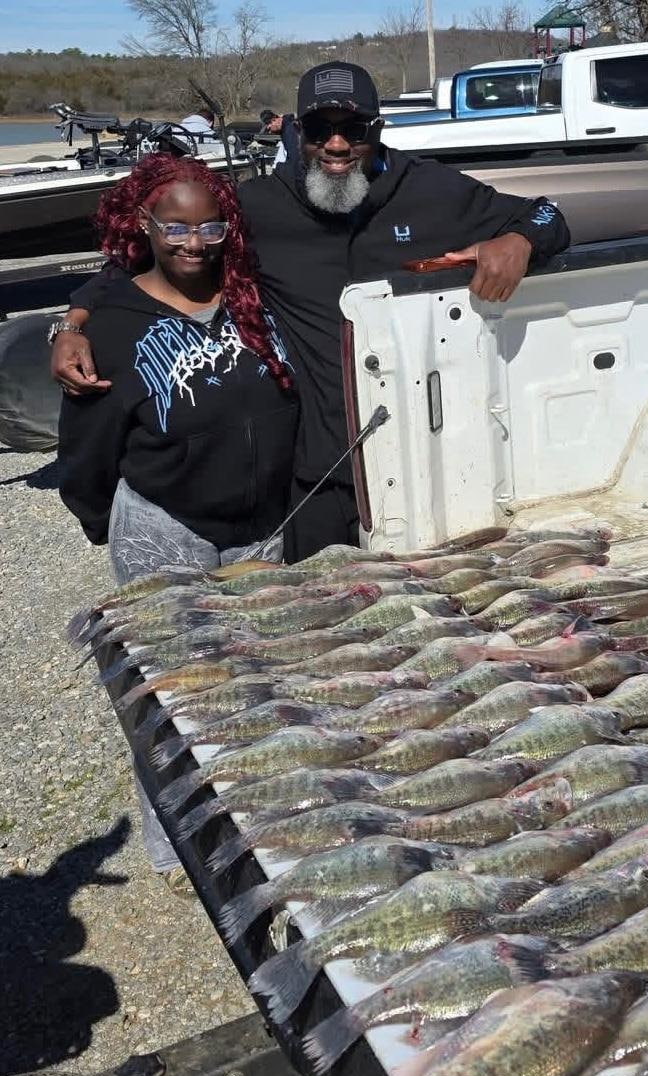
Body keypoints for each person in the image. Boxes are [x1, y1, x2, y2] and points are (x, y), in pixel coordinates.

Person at [53, 60, 570, 562]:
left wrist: (520, 240)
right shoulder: (258, 207)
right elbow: (143, 262)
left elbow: (549, 212)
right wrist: (74, 321)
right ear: (299, 132)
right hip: (315, 475)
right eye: (321, 128)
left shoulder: (432, 191)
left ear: (379, 127)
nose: (338, 145)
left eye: (354, 128)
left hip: (423, 464)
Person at [57, 155, 298, 893]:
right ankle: (176, 847)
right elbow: (87, 452)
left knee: (257, 680)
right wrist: (112, 524)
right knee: (173, 693)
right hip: (165, 525)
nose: (194, 243)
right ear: (143, 225)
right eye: (176, 227)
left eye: (210, 226)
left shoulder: (257, 297)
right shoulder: (116, 319)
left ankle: (259, 816)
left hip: (262, 525)